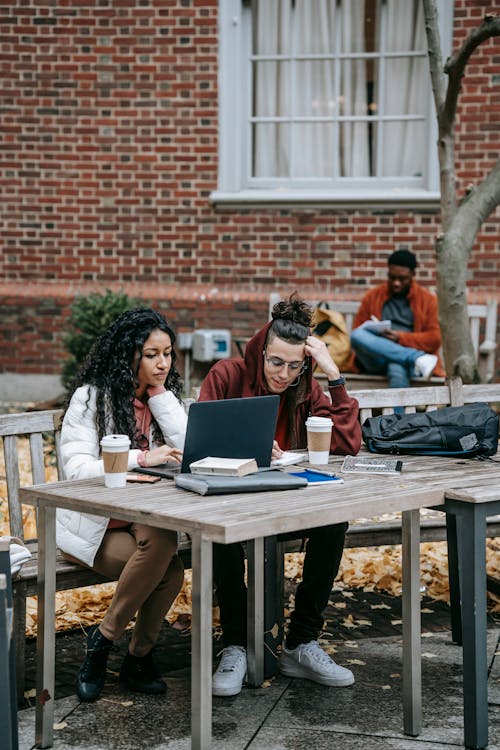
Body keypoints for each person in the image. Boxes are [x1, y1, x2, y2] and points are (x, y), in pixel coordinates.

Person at [198, 294, 361, 697]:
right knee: (223, 533)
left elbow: (347, 443)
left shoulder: (305, 387)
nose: (283, 374)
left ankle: (300, 643)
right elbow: (198, 443)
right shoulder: (227, 375)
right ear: (262, 351)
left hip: (290, 502)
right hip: (232, 501)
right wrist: (246, 448)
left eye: (294, 365)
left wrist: (332, 374)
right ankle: (235, 645)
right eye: (276, 362)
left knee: (334, 520)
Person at [57, 308, 188, 701]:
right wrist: (139, 458)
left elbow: (192, 448)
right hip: (93, 523)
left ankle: (110, 642)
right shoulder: (90, 399)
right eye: (152, 354)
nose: (162, 363)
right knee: (169, 569)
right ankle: (126, 653)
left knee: (165, 552)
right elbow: (77, 468)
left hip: (143, 514)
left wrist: (162, 397)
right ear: (128, 354)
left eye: (167, 353)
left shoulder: (160, 399)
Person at [350, 250, 445, 389]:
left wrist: (399, 338)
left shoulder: (428, 300)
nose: (396, 283)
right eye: (392, 277)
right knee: (357, 334)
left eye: (402, 278)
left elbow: (435, 339)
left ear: (413, 275)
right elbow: (359, 333)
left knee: (397, 366)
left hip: (410, 367)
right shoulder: (373, 296)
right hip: (377, 358)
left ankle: (398, 411)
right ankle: (417, 357)